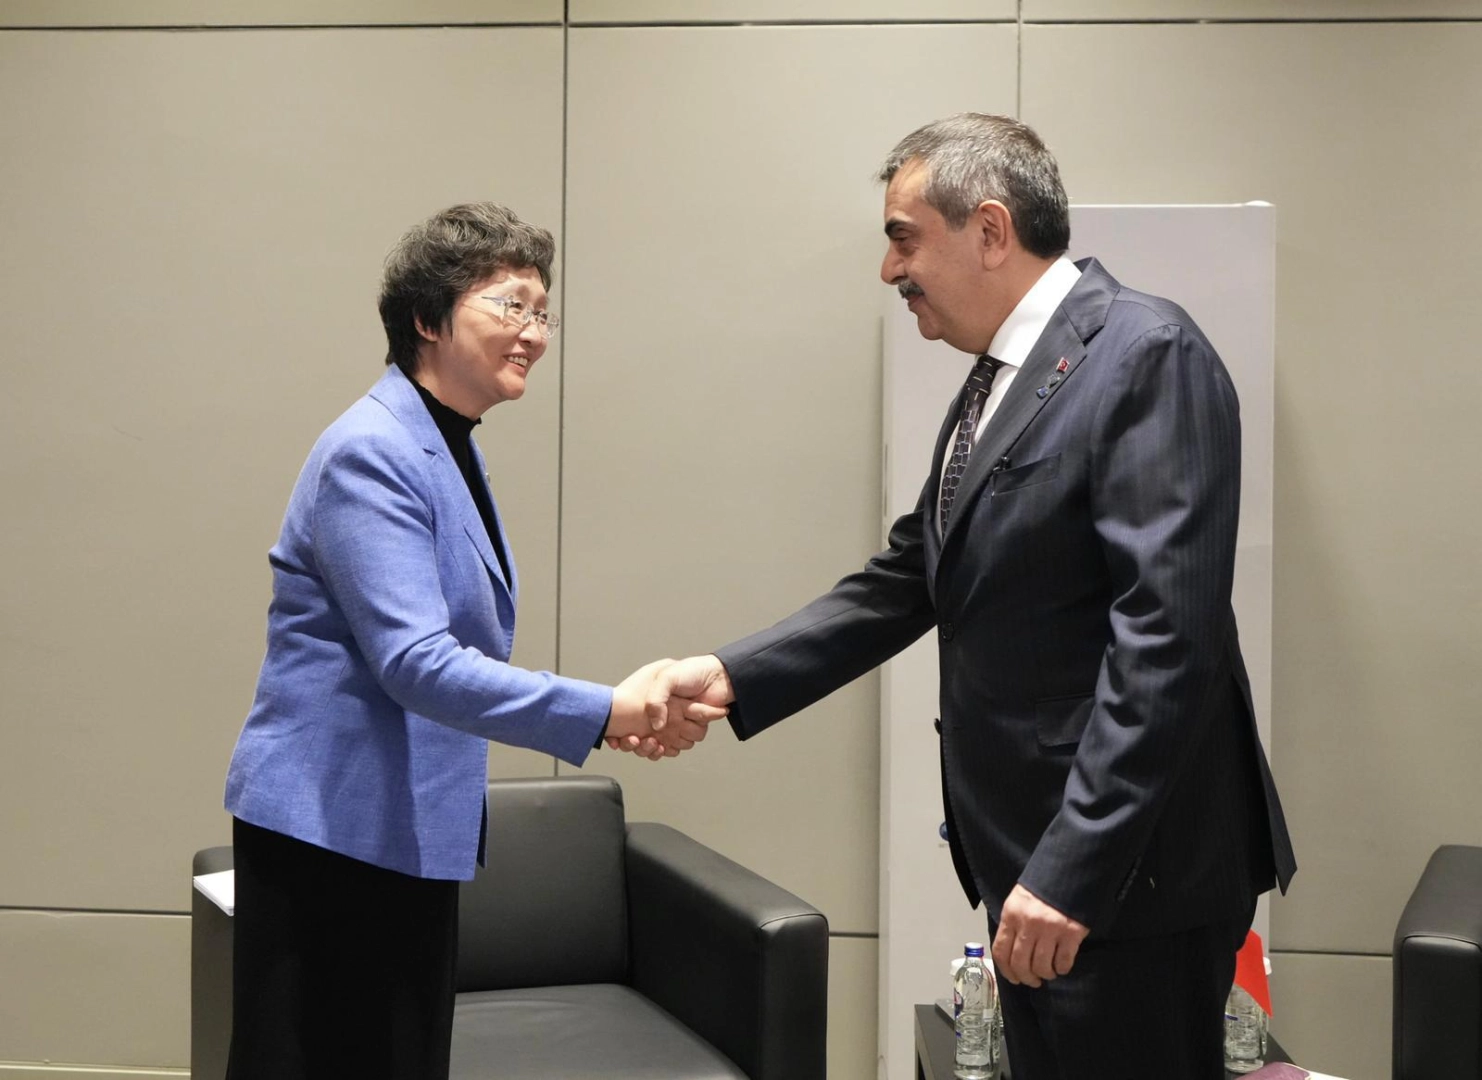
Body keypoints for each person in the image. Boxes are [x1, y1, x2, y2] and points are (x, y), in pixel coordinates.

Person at [636, 115, 1296, 1079]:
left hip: (1123, 883)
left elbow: (1166, 640)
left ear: (989, 229)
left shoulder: (1146, 353)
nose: (889, 270)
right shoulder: (1001, 377)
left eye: (903, 239)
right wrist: (731, 675)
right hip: (1038, 867)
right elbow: (913, 575)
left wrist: (1073, 867)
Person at [222, 202, 715, 1080]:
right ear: (426, 317)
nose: (534, 332)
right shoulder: (372, 450)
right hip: (332, 840)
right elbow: (418, 663)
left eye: (544, 312)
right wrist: (607, 710)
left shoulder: (446, 444)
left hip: (399, 828)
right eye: (510, 304)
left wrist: (607, 713)